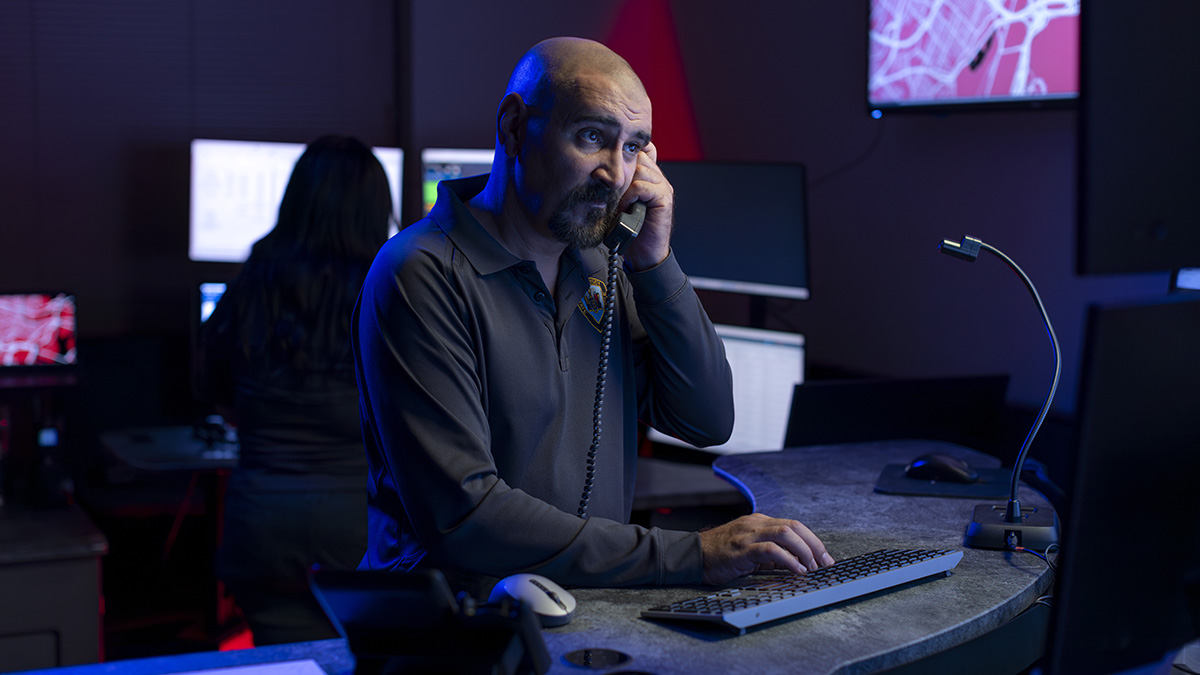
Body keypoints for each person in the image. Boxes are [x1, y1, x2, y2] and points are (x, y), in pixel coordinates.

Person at [353, 37, 833, 594]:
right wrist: (691, 555)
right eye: (591, 137)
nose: (615, 174)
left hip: (585, 613)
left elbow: (706, 421)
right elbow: (465, 516)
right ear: (513, 127)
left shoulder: (604, 265)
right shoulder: (419, 273)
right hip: (457, 626)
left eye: (633, 148)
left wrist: (655, 262)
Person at [198, 135, 393, 644]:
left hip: (261, 526)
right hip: (358, 526)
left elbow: (215, 390)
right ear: (377, 209)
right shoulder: (390, 287)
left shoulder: (253, 279)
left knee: (281, 655)